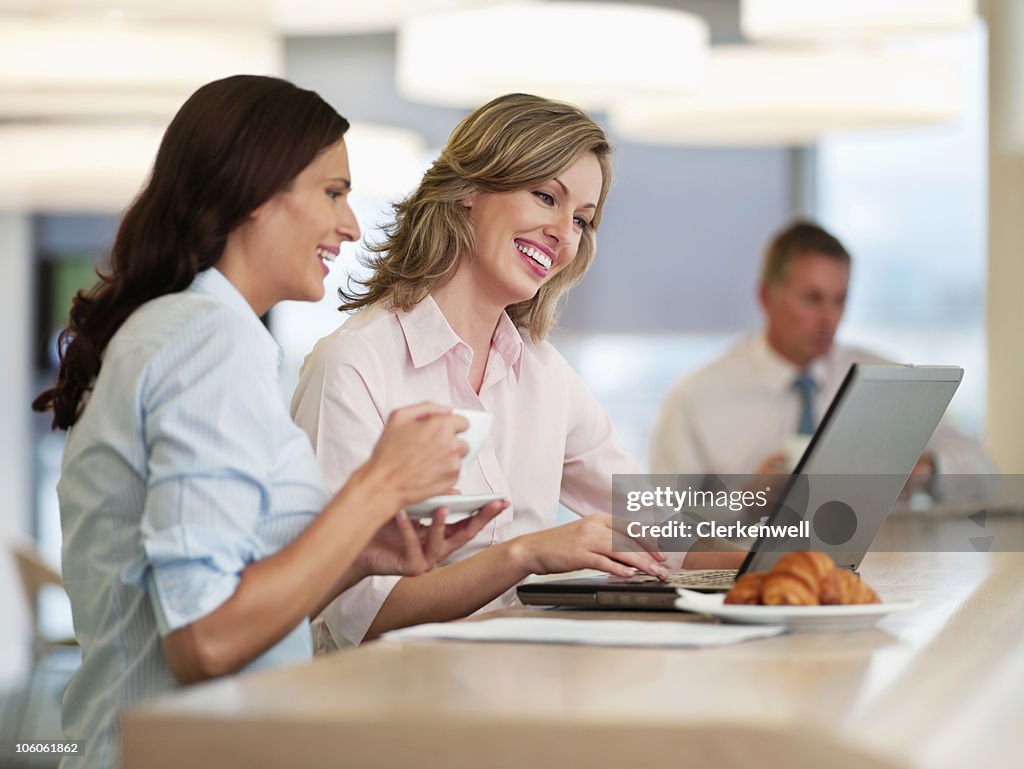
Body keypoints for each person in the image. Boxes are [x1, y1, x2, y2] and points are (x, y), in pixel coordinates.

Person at [31, 75, 503, 769]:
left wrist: (360, 554)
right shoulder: (204, 341)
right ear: (256, 193)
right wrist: (377, 484)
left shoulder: (208, 334)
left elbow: (235, 594)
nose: (350, 225)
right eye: (333, 193)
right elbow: (204, 641)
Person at [291, 93, 744, 649]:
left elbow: (653, 524)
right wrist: (525, 555)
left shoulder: (543, 371)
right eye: (545, 196)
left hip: (517, 684)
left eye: (581, 219)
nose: (564, 234)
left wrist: (793, 548)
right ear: (468, 190)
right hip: (395, 705)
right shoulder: (355, 365)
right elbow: (358, 614)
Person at [649, 220, 995, 502]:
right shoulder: (696, 397)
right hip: (753, 579)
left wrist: (925, 471)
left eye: (840, 300)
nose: (830, 318)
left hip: (884, 578)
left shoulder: (885, 380)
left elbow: (986, 476)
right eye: (812, 299)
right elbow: (660, 526)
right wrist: (744, 503)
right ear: (767, 297)